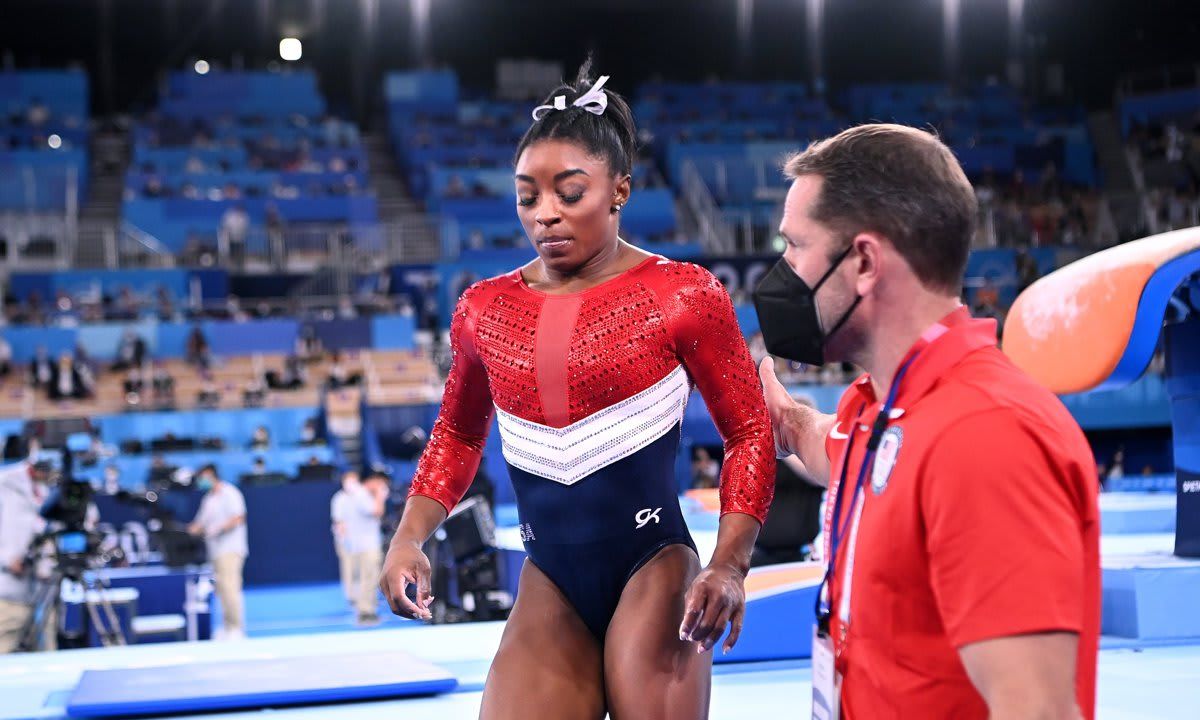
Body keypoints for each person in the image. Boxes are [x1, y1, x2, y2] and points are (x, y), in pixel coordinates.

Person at [380, 64, 775, 719]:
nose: (546, 215)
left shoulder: (682, 293)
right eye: (527, 196)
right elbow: (456, 433)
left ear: (619, 189)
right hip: (551, 575)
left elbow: (749, 430)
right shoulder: (484, 308)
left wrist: (730, 564)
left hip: (652, 561)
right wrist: (407, 538)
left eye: (570, 192)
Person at [753, 123, 1099, 719]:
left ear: (863, 261)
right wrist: (784, 418)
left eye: (795, 246)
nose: (782, 271)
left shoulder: (986, 436)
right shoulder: (879, 410)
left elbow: (1036, 709)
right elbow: (830, 452)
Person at [188, 465, 248, 640]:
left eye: (203, 477)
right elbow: (199, 524)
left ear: (210, 475)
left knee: (231, 587)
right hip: (214, 550)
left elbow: (238, 517)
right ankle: (227, 626)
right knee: (221, 589)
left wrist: (219, 528)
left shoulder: (230, 493)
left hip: (230, 548)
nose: (201, 481)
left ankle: (236, 628)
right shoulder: (208, 499)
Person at [0, 458, 53, 653]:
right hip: (7, 590)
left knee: (45, 656)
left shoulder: (46, 492)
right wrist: (6, 560)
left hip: (42, 589)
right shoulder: (6, 483)